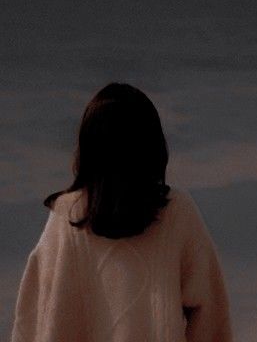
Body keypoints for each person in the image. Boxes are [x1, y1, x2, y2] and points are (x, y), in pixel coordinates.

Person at [11, 82, 233, 342]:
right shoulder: (177, 212)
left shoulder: (66, 217)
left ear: (88, 148)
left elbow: (32, 317)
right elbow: (211, 314)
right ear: (153, 147)